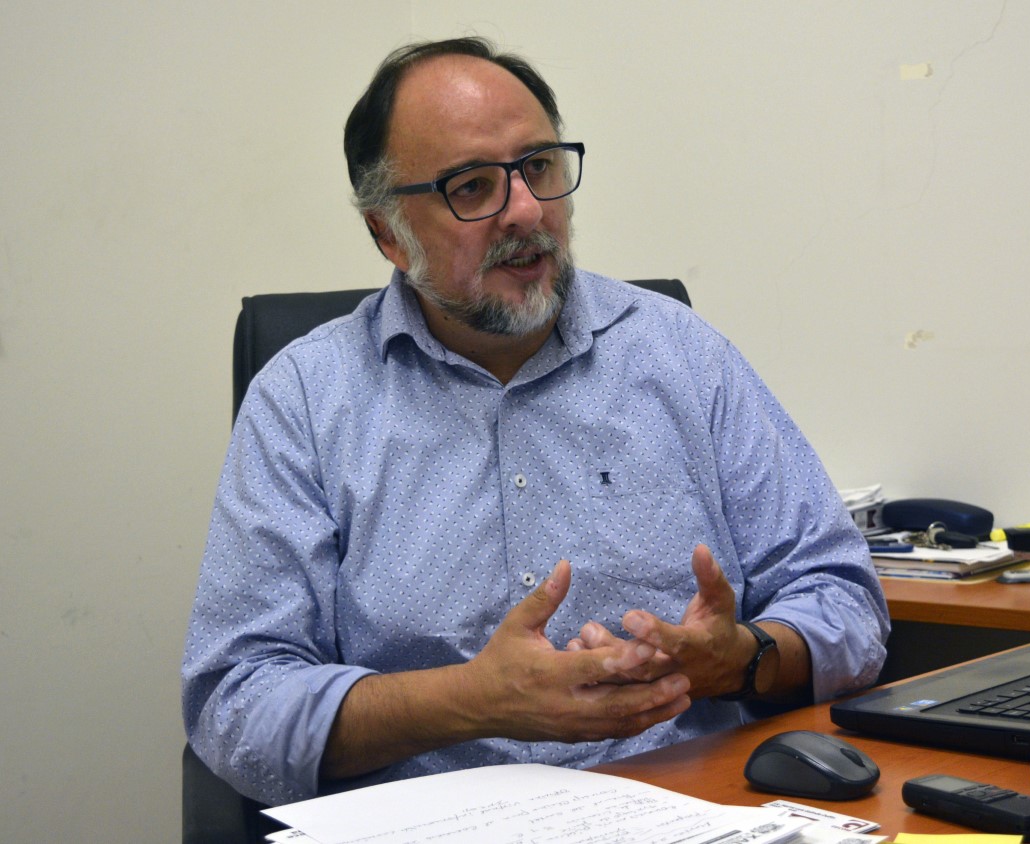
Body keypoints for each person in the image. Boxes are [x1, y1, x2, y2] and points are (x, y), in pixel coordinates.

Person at [182, 37, 889, 807]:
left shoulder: (683, 356)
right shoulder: (306, 400)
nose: (525, 210)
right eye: (472, 186)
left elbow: (842, 595)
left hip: (687, 809)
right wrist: (470, 701)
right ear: (388, 234)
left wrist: (743, 658)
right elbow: (234, 703)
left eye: (541, 167)